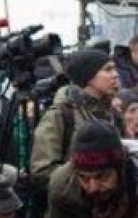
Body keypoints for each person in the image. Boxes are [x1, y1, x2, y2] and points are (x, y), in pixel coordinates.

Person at [29, 48, 120, 187]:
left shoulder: (112, 113)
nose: (115, 74)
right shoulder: (61, 114)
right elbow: (42, 170)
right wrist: (88, 182)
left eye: (114, 69)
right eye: (108, 69)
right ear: (88, 76)